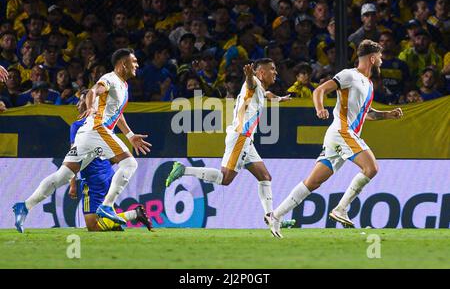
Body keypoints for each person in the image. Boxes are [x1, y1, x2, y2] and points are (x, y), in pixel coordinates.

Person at [266, 40, 403, 238]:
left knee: (312, 182)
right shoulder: (349, 75)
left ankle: (276, 215)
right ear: (372, 58)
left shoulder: (370, 85)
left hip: (339, 136)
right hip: (342, 132)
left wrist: (388, 115)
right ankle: (341, 208)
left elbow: (367, 113)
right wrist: (320, 108)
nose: (382, 60)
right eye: (380, 57)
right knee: (371, 168)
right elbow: (319, 90)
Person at [13, 48, 152, 233]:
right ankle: (107, 206)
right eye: (134, 62)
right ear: (123, 64)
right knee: (130, 163)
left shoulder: (124, 86)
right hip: (97, 129)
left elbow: (117, 114)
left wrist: (129, 135)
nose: (137, 65)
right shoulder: (110, 79)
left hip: (87, 135)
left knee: (62, 177)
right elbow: (93, 91)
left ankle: (24, 206)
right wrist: (91, 107)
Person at [165, 58, 295, 228]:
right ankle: (183, 170)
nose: (275, 72)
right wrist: (249, 76)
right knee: (225, 178)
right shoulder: (254, 82)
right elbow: (250, 84)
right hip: (241, 136)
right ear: (261, 73)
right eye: (272, 69)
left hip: (246, 139)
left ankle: (271, 217)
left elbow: (267, 95)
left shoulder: (260, 89)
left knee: (265, 176)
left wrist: (280, 99)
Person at [68, 89, 152, 232]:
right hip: (107, 174)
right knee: (105, 219)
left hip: (92, 177)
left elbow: (73, 156)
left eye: (81, 100)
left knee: (92, 226)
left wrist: (72, 184)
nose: (77, 104)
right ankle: (120, 226)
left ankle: (134, 214)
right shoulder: (105, 124)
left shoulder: (78, 125)